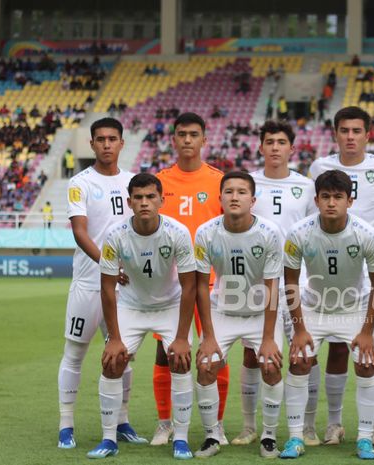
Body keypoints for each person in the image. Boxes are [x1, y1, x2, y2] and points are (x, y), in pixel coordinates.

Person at [87, 173, 201, 460]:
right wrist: (113, 338)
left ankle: (182, 439)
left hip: (171, 306)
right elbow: (107, 288)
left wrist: (181, 337)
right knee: (112, 362)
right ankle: (109, 438)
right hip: (131, 307)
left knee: (180, 360)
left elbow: (189, 287)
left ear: (162, 200)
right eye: (138, 197)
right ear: (129, 202)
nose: (144, 202)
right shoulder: (115, 235)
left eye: (150, 196)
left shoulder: (178, 232)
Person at [280, 169, 374, 459]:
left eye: (338, 197)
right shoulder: (299, 233)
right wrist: (299, 330)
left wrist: (366, 332)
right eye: (325, 197)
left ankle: (364, 438)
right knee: (300, 363)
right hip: (314, 307)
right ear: (316, 200)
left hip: (353, 307)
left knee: (366, 364)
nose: (331, 203)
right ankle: (296, 437)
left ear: (349, 201)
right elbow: (290, 282)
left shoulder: (367, 234)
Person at [56, 118, 143, 450]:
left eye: (113, 139)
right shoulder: (80, 182)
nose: (107, 144)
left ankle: (121, 421)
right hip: (90, 282)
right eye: (101, 140)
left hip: (125, 285)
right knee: (75, 352)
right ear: (92, 144)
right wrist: (109, 264)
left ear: (122, 144)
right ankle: (66, 425)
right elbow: (80, 232)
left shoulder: (134, 181)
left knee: (122, 354)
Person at [309, 106, 374, 446]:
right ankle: (334, 423)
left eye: (357, 131)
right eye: (344, 130)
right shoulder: (320, 167)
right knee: (338, 349)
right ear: (335, 133)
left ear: (368, 134)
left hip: (372, 270)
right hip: (334, 268)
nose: (350, 137)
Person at [232, 120, 316, 446]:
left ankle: (306, 427)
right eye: (270, 141)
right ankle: (249, 426)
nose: (276, 147)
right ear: (261, 147)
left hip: (298, 281)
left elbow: (314, 232)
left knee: (304, 354)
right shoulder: (247, 183)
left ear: (292, 148)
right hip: (256, 283)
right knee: (253, 354)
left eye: (282, 142)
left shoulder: (307, 187)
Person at [193, 171, 284, 458]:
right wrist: (207, 336)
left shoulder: (269, 233)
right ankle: (211, 436)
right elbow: (199, 286)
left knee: (270, 365)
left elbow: (272, 289)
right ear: (220, 198)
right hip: (224, 311)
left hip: (260, 314)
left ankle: (268, 436)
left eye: (242, 192)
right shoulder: (206, 232)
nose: (235, 196)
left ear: (253, 200)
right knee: (207, 365)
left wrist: (268, 338)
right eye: (229, 191)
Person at [151, 112, 227, 446]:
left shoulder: (219, 181)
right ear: (173, 139)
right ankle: (165, 422)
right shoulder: (159, 181)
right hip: (170, 284)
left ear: (204, 139)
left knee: (215, 353)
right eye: (181, 134)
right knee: (165, 351)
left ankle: (218, 424)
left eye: (193, 134)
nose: (186, 140)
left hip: (210, 282)